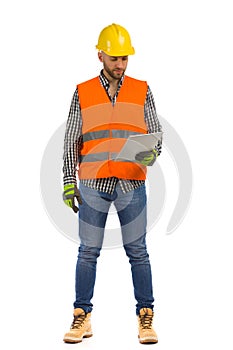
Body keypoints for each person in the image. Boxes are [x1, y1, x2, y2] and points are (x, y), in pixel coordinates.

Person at [62, 23, 162, 344]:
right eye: (115, 58)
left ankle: (145, 316)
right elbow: (71, 139)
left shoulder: (142, 89)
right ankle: (82, 316)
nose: (121, 64)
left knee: (138, 252)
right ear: (101, 54)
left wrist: (149, 154)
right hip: (93, 184)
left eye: (125, 59)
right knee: (88, 252)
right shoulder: (83, 91)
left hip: (131, 185)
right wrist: (67, 181)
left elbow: (156, 134)